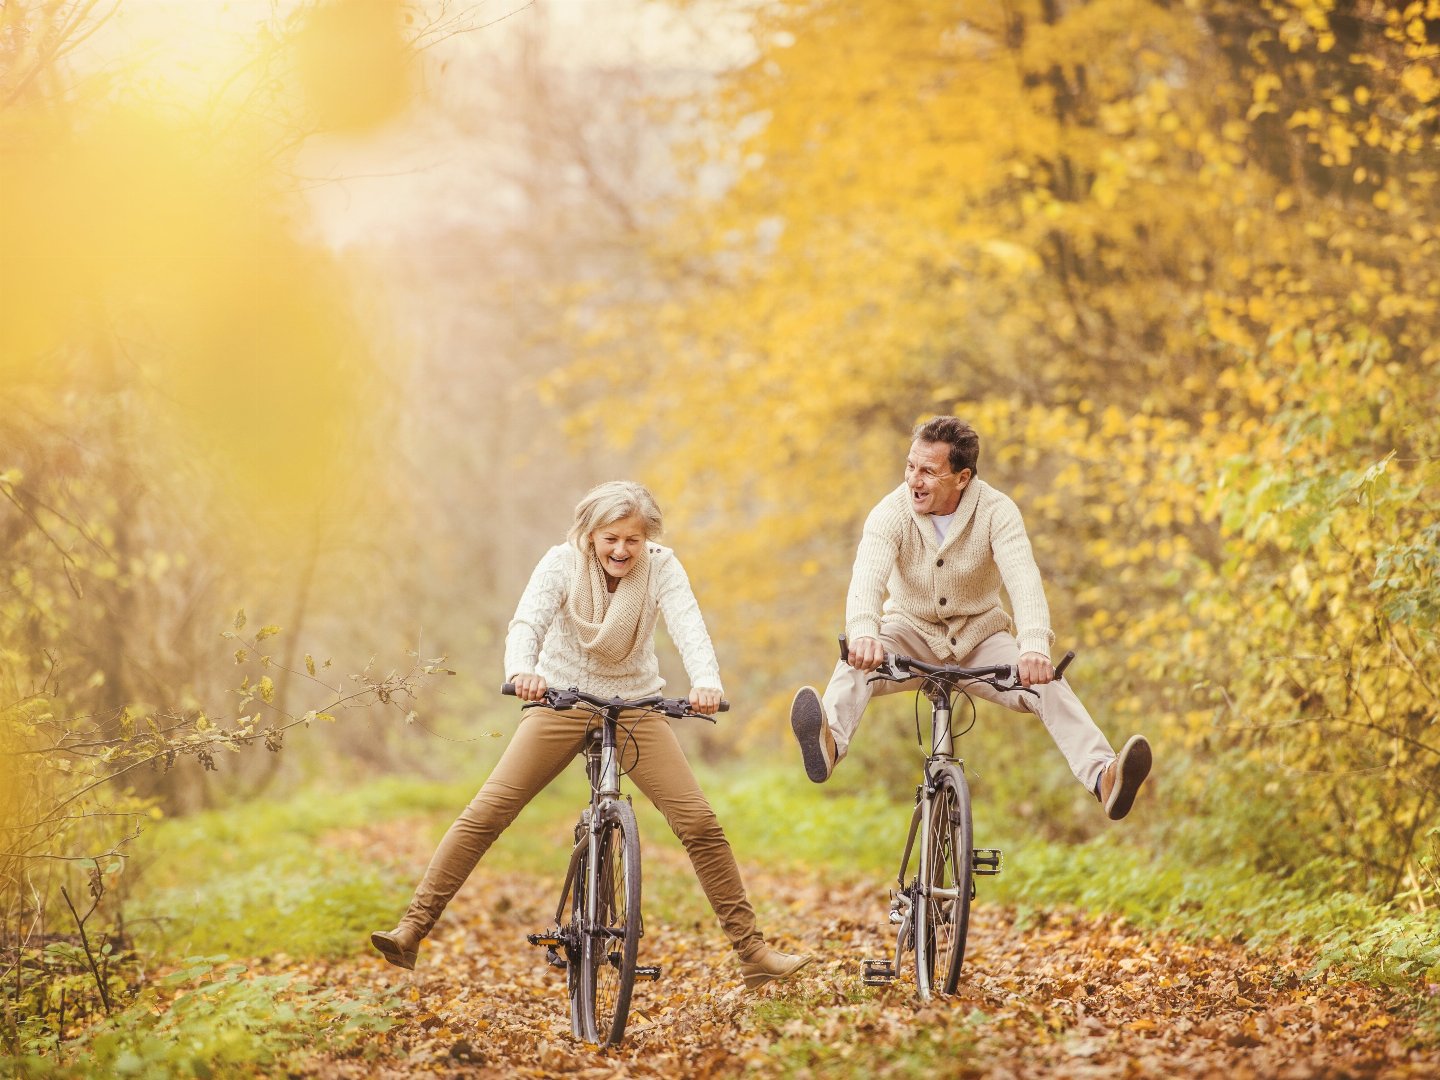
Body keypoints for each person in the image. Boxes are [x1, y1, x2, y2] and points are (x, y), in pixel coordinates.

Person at [372, 480, 811, 990]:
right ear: (589, 536)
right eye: (610, 539)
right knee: (488, 811)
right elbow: (526, 624)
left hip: (637, 704)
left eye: (633, 540)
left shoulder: (662, 567)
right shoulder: (560, 563)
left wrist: (707, 682)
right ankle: (412, 930)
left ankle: (753, 952)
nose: (622, 550)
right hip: (560, 698)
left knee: (699, 822)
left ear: (648, 539)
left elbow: (689, 626)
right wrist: (523, 671)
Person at [789, 416, 1152, 819]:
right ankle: (830, 743)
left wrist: (1034, 648)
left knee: (1049, 684)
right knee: (852, 667)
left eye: (928, 471)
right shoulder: (890, 513)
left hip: (981, 638)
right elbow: (867, 580)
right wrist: (863, 634)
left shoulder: (998, 511)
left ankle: (1103, 775)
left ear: (962, 478)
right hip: (908, 631)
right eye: (910, 467)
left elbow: (1024, 581)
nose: (914, 480)